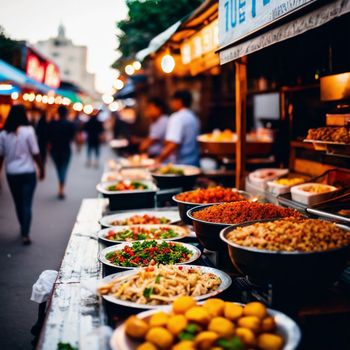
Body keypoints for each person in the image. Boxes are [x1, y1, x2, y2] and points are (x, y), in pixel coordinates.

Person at [0, 104, 44, 245]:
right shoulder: (29, 131)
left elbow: (0, 157)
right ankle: (25, 233)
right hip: (28, 173)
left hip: (12, 173)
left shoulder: (3, 134)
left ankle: (23, 227)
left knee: (18, 202)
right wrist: (41, 168)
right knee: (27, 203)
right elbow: (35, 152)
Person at [156, 90, 200, 165]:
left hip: (181, 164)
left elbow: (172, 144)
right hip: (194, 161)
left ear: (179, 101)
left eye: (172, 100)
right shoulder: (194, 117)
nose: (171, 103)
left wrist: (158, 160)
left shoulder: (177, 117)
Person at [47, 106, 75, 199]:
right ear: (66, 113)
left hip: (55, 150)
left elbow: (48, 137)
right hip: (66, 150)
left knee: (59, 168)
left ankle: (61, 188)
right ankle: (61, 189)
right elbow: (72, 137)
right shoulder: (69, 124)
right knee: (63, 169)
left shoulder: (52, 123)